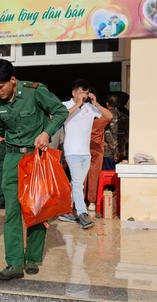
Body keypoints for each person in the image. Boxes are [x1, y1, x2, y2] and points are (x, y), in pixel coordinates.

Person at [0, 58, 68, 281]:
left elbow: (60, 112)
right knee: (12, 213)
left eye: (0, 86)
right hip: (11, 160)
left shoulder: (35, 92)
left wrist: (47, 132)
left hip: (35, 159)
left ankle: (32, 258)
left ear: (13, 80)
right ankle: (14, 263)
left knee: (36, 209)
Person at [57, 81, 107, 228]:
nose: (84, 96)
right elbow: (61, 117)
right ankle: (82, 213)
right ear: (74, 93)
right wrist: (77, 105)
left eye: (86, 93)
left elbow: (108, 115)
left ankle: (65, 211)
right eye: (81, 93)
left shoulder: (90, 108)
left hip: (86, 153)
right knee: (78, 184)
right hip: (72, 152)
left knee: (76, 184)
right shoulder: (65, 105)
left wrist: (96, 104)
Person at [84, 89, 114, 214]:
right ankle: (91, 201)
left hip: (83, 148)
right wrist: (96, 104)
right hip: (96, 148)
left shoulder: (81, 115)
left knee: (81, 176)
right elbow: (110, 116)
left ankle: (80, 201)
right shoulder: (98, 116)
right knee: (94, 176)